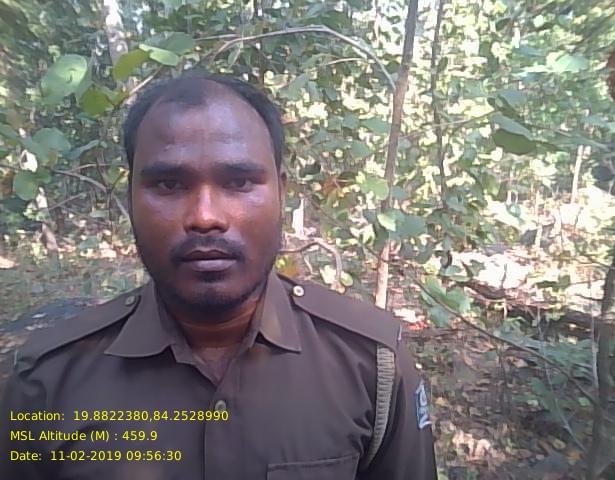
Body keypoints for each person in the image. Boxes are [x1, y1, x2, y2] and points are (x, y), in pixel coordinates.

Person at [0, 73, 437, 479]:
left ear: (282, 192)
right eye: (169, 185)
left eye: (240, 182)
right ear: (130, 197)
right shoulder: (45, 382)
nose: (205, 216)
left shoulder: (371, 364)